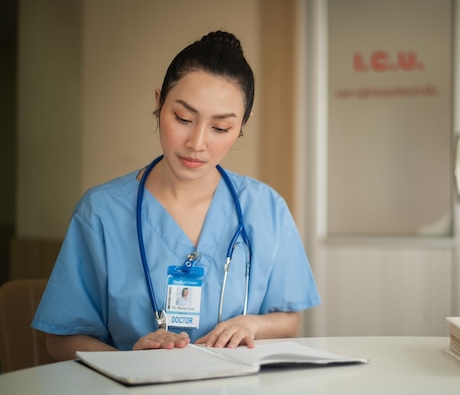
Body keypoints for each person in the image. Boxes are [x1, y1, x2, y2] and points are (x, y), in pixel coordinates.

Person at [32, 30, 321, 360]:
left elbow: (288, 320)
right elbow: (60, 340)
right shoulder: (101, 212)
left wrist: (250, 324)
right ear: (158, 102)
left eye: (220, 128)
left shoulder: (266, 208)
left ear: (242, 123)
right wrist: (129, 359)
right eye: (183, 118)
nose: (197, 143)